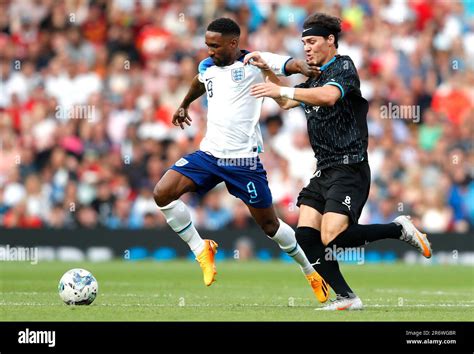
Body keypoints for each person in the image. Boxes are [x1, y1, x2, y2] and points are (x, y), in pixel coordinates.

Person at [248, 12, 432, 310]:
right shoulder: (312, 77)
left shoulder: (343, 66)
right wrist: (267, 72)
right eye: (303, 42)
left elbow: (328, 97)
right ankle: (348, 297)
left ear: (330, 40)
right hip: (324, 170)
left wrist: (281, 87)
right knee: (306, 236)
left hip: (350, 166)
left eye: (312, 41)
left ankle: (399, 229)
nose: (306, 48)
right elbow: (285, 101)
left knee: (332, 236)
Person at [153, 18, 329, 303]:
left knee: (270, 226)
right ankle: (201, 249)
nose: (209, 50)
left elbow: (288, 64)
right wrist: (184, 104)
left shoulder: (252, 62)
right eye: (207, 45)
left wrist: (305, 68)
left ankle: (310, 271)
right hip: (209, 155)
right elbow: (200, 82)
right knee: (162, 193)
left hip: (243, 162)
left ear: (233, 43)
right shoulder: (207, 67)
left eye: (215, 45)